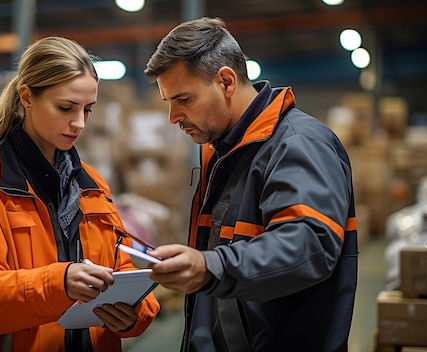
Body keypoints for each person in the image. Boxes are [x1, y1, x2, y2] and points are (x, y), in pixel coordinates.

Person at [144, 17, 358, 351]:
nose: (173, 117)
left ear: (226, 82)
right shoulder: (224, 152)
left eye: (184, 100)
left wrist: (210, 266)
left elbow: (309, 244)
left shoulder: (297, 144)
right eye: (168, 102)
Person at [0, 36, 159, 352]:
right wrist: (61, 284)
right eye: (66, 108)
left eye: (88, 110)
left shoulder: (92, 186)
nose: (79, 123)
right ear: (27, 97)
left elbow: (122, 271)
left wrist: (134, 315)